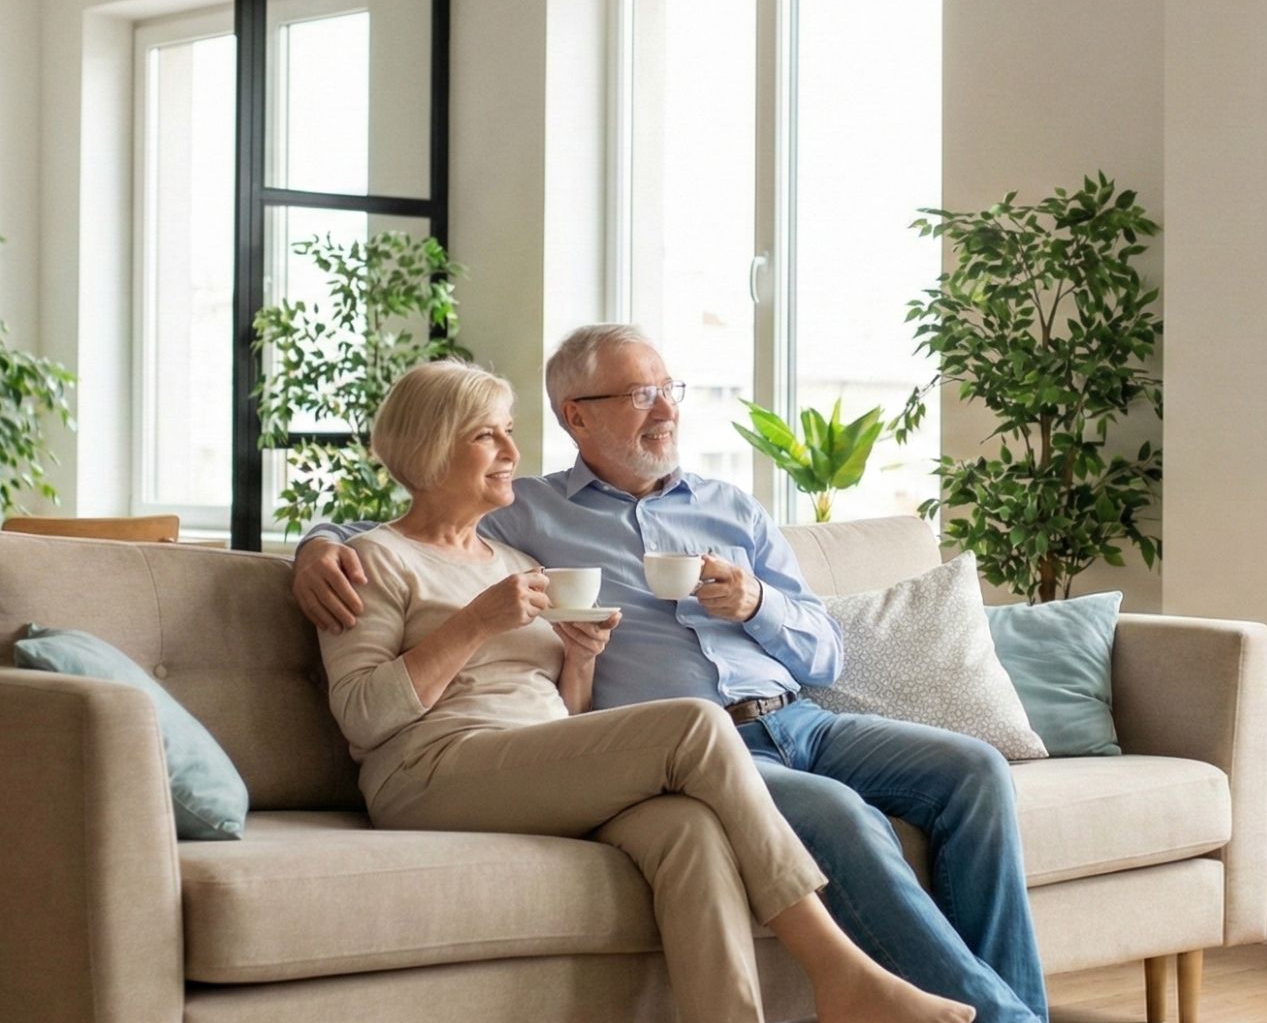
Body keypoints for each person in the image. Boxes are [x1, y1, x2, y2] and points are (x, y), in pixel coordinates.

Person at [295, 325, 1048, 1023]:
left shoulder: (711, 514)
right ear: (578, 417)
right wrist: (315, 545)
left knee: (974, 770)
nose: (665, 410)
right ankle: (923, 998)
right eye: (638, 394)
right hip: (675, 745)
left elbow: (825, 653)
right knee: (818, 803)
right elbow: (399, 530)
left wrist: (753, 604)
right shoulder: (524, 513)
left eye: (668, 389)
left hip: (796, 718)